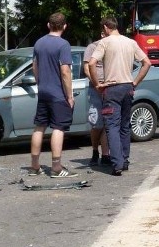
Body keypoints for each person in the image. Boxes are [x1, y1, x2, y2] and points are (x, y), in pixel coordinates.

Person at [88, 16, 151, 176]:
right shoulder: (130, 42)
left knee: (112, 127)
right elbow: (147, 63)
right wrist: (135, 82)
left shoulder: (105, 42)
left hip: (112, 88)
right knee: (125, 126)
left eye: (103, 30)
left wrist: (97, 84)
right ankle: (125, 160)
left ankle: (117, 164)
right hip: (128, 87)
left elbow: (91, 63)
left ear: (106, 28)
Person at [28, 12, 77, 177]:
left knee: (39, 126)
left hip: (43, 92)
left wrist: (39, 82)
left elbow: (34, 66)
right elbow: (65, 71)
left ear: (48, 25)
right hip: (58, 94)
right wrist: (69, 96)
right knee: (58, 128)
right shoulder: (63, 45)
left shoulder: (39, 43)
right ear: (64, 26)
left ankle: (34, 166)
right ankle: (56, 167)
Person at [83, 29, 111, 166]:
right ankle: (95, 150)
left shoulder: (112, 47)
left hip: (110, 88)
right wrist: (97, 83)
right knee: (97, 123)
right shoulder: (92, 47)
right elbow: (87, 68)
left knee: (107, 123)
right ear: (102, 34)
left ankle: (105, 155)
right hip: (95, 89)